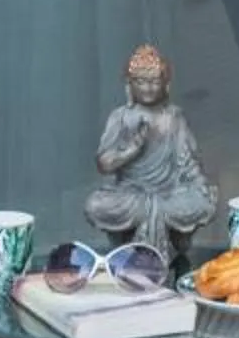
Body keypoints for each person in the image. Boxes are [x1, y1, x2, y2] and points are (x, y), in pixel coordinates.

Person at [84, 44, 218, 266]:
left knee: (202, 202)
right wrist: (130, 151)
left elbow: (187, 162)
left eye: (155, 82)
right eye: (141, 82)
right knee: (95, 205)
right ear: (129, 85)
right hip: (131, 194)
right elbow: (104, 164)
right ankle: (159, 231)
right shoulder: (121, 117)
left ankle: (164, 233)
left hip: (170, 193)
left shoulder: (174, 118)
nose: (148, 88)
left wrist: (199, 185)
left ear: (166, 85)